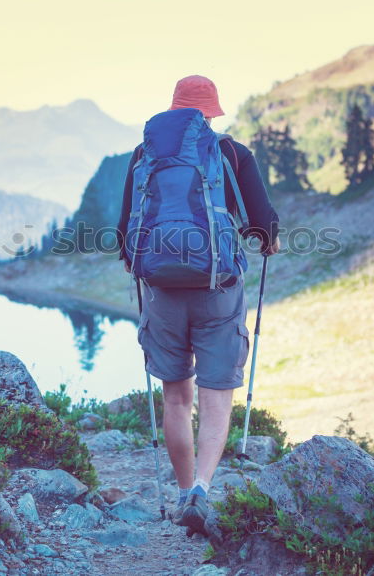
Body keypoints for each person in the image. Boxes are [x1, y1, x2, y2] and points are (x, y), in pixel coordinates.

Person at [116, 75, 280, 538]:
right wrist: (260, 240)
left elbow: (123, 232)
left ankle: (182, 488)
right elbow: (264, 224)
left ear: (174, 110)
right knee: (215, 396)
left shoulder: (144, 155)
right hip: (218, 291)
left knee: (175, 397)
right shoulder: (230, 153)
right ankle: (202, 491)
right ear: (210, 112)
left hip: (162, 295)